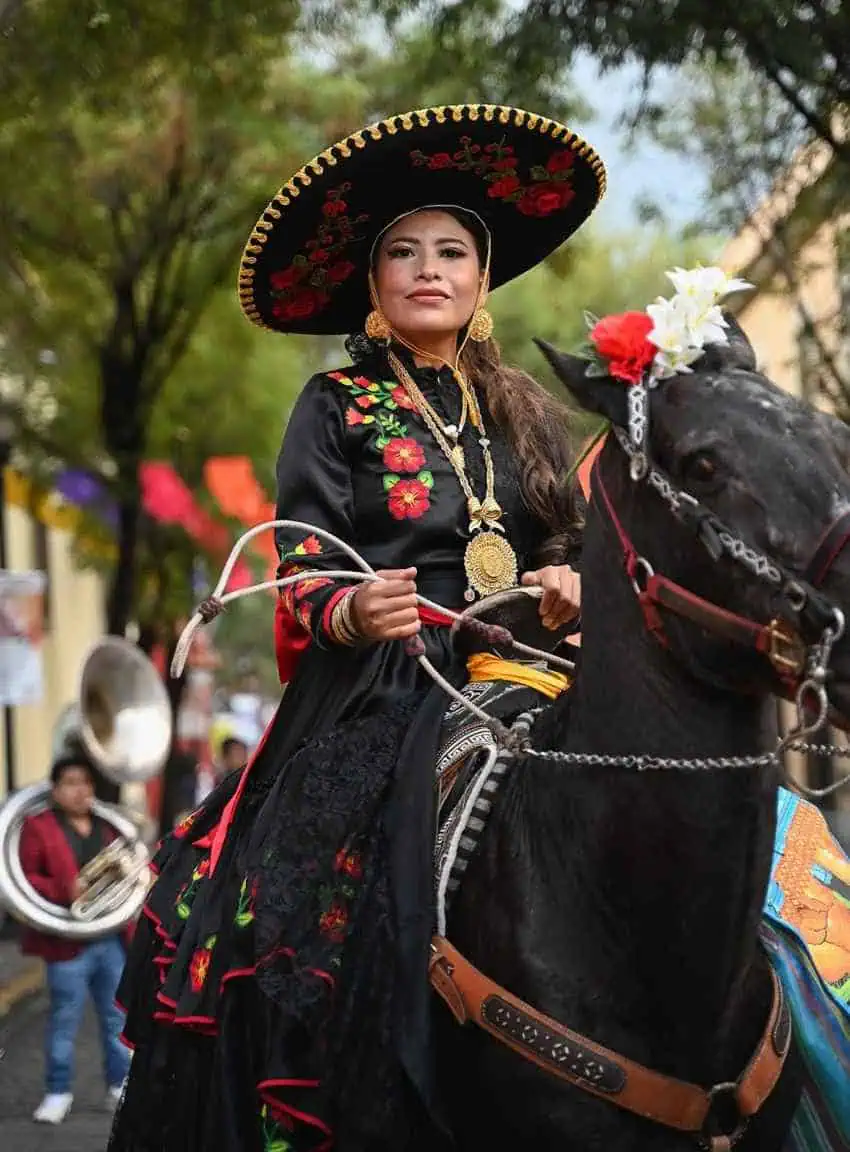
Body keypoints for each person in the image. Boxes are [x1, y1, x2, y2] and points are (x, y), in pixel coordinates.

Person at [109, 103, 604, 1152]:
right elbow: (298, 563)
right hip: (385, 682)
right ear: (374, 285)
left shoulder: (525, 411)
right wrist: (347, 604)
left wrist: (568, 579)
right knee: (297, 913)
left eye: (453, 251)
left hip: (528, 670)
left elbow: (573, 534)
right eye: (403, 253)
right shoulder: (334, 403)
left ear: (480, 279)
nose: (430, 268)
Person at [18, 750, 132, 1124]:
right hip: (66, 942)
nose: (80, 791)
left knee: (117, 1019)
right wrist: (66, 889)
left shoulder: (108, 826)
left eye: (85, 782)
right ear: (55, 790)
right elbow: (28, 879)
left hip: (110, 938)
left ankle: (119, 1086)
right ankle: (57, 1092)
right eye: (70, 783)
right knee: (64, 1021)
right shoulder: (39, 827)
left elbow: (128, 868)